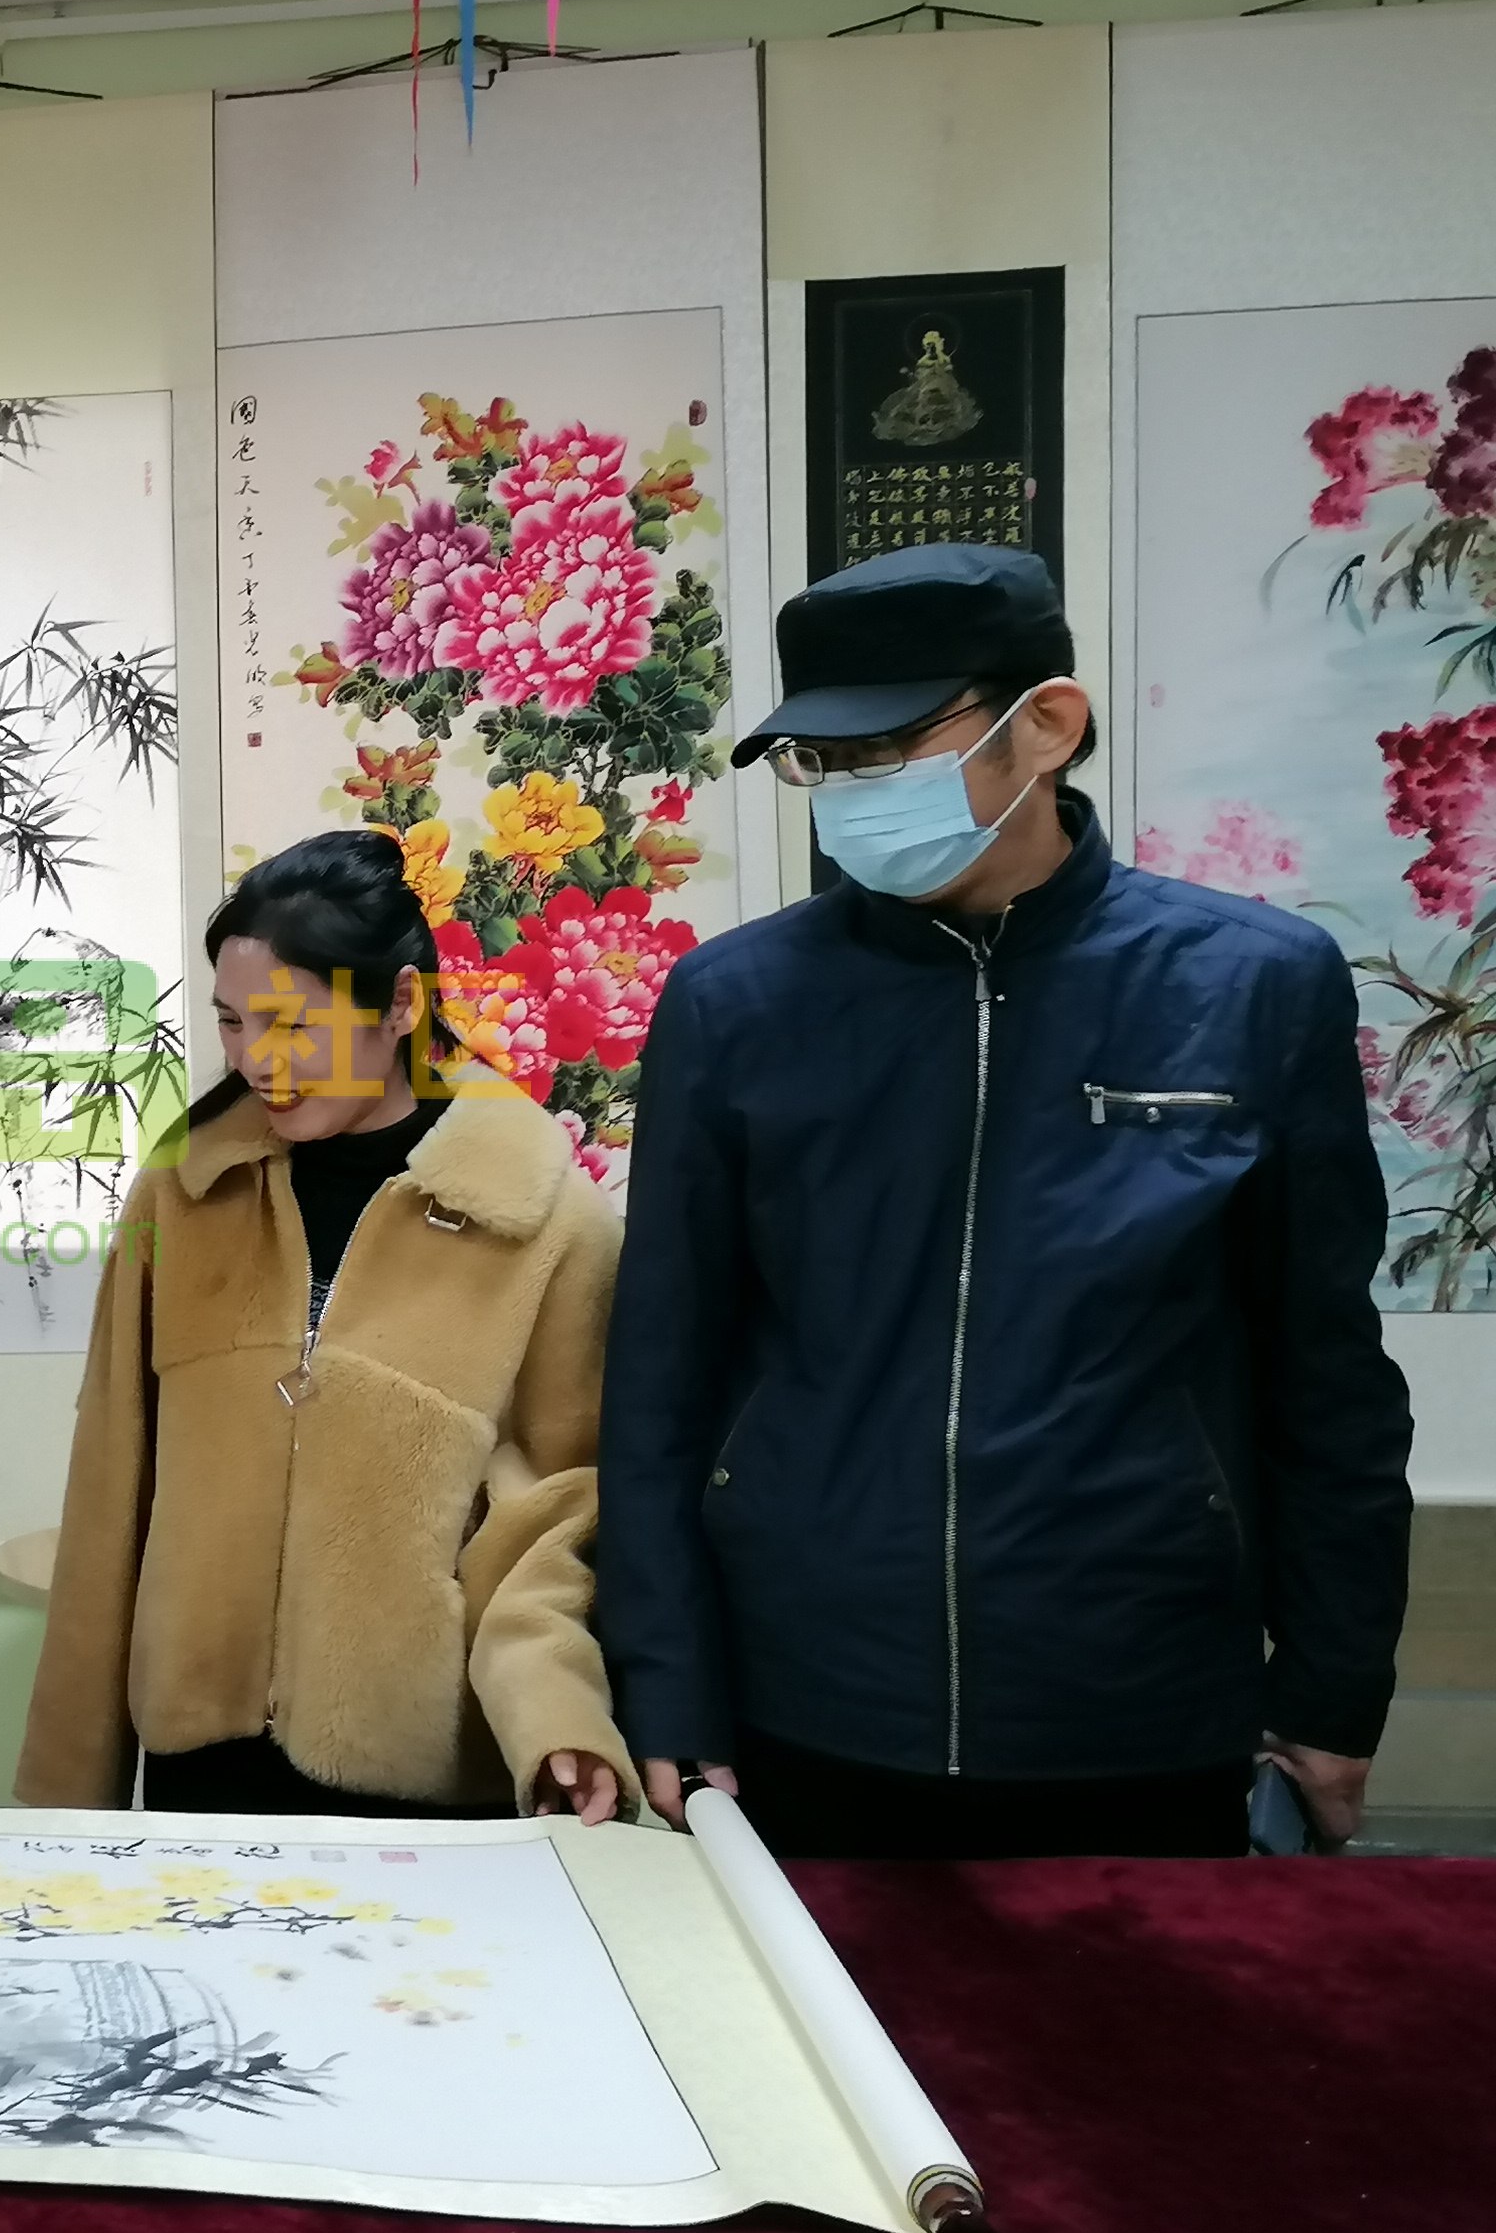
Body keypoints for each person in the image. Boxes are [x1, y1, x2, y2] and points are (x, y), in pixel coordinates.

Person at [600, 545, 1413, 1859]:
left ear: (1047, 725)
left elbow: (1326, 1377)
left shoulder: (1252, 985)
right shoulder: (736, 1005)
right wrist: (665, 1674)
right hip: (805, 1695)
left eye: (888, 750)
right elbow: (660, 1374)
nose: (851, 791)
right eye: (820, 760)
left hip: (1139, 1696)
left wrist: (1333, 1688)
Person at [15, 833, 636, 1823]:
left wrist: (556, 1724)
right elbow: (110, 1492)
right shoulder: (183, 1194)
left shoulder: (549, 1225)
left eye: (292, 1025)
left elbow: (557, 1516)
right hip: (201, 1763)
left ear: (401, 1004)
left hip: (422, 1777)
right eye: (231, 1023)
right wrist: (68, 1796)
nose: (256, 1061)